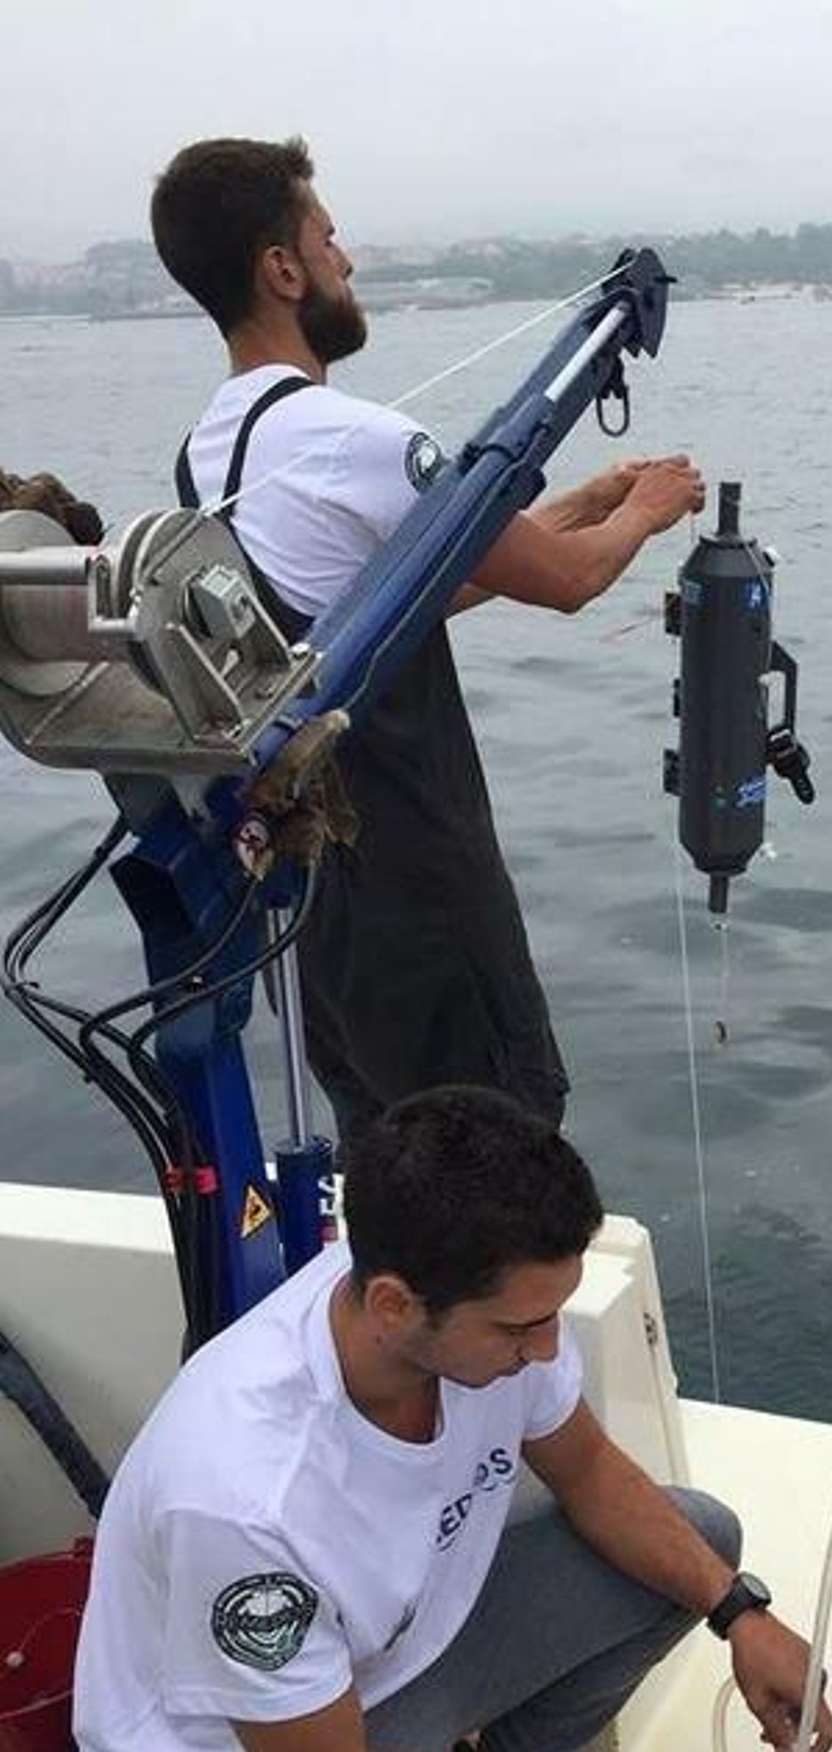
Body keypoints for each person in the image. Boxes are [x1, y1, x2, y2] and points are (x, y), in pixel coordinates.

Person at [74, 1085, 832, 1752]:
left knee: (697, 1544)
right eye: (520, 1330)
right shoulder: (245, 1497)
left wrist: (741, 1615)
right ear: (393, 1303)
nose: (547, 1351)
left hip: (385, 1661)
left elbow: (594, 1474)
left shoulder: (476, 1326)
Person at [149, 136, 704, 1142]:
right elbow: (571, 585)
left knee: (395, 1168)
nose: (345, 260)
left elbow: (401, 599)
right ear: (281, 268)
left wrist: (585, 497)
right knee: (500, 1153)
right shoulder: (349, 438)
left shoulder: (210, 450)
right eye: (328, 236)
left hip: (322, 924)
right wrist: (651, 510)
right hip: (426, 900)